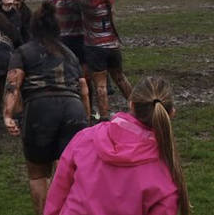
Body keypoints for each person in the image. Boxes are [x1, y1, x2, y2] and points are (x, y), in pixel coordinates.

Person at [45, 75, 192, 215]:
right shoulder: (165, 174)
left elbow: (58, 192)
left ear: (132, 105)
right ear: (171, 113)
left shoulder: (85, 138)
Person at [4, 1, 90, 215]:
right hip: (74, 109)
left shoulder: (23, 51)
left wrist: (7, 115)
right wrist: (86, 121)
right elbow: (84, 89)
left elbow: (13, 84)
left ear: (33, 27)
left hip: (40, 110)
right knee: (68, 171)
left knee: (38, 174)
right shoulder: (70, 54)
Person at [73, 0, 133, 120]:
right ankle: (136, 106)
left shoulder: (88, 5)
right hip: (113, 46)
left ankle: (105, 116)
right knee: (120, 77)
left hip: (95, 48)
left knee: (100, 85)